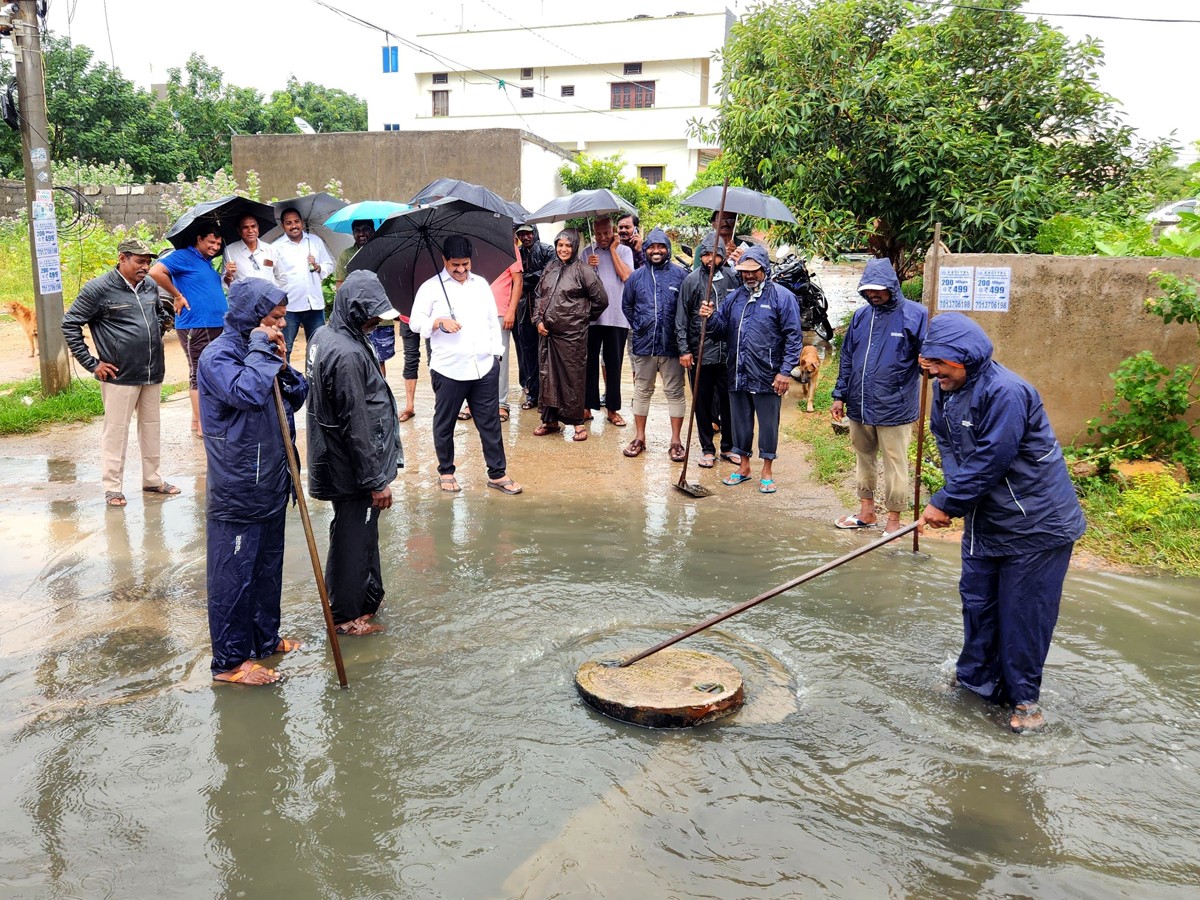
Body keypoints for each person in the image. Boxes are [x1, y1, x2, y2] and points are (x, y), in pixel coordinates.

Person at [917, 313, 1085, 733]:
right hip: (985, 517)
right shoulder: (947, 389)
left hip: (1036, 524)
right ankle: (977, 680)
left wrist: (947, 501)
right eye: (928, 365)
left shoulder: (1007, 392)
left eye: (941, 364)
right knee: (978, 603)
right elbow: (946, 440)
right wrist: (955, 498)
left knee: (1023, 614)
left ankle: (1025, 700)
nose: (934, 373)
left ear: (967, 359)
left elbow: (993, 456)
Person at [197, 278, 308, 685]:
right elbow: (246, 392)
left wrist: (282, 361)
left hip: (272, 480)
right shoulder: (218, 356)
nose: (281, 326)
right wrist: (262, 352)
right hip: (238, 487)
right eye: (274, 319)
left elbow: (296, 396)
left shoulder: (262, 350)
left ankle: (264, 639)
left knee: (266, 568)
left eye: (283, 318)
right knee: (234, 576)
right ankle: (228, 662)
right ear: (250, 316)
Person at [306, 270, 403, 635]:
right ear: (356, 310)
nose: (376, 322)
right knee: (352, 535)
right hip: (352, 466)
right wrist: (375, 480)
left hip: (334, 458)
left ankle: (366, 598)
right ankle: (346, 616)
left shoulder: (324, 335)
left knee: (357, 531)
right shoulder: (345, 353)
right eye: (372, 315)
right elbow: (356, 424)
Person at [62, 237, 178, 507]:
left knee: (151, 428)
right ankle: (112, 487)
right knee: (116, 431)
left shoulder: (149, 285)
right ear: (122, 258)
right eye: (139, 261)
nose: (145, 267)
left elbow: (158, 313)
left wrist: (165, 321)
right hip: (119, 374)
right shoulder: (98, 289)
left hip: (152, 370)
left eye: (148, 262)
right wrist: (92, 363)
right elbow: (70, 324)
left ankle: (152, 480)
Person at [408, 236, 524, 494]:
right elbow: (415, 323)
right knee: (445, 422)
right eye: (455, 265)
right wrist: (438, 322)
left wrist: (497, 354)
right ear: (444, 261)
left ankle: (497, 474)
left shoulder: (481, 284)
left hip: (483, 365)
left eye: (465, 264)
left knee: (490, 422)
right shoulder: (430, 288)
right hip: (448, 368)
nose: (461, 270)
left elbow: (491, 320)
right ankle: (446, 471)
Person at [831, 258, 928, 536]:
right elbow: (847, 358)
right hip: (860, 404)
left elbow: (928, 360)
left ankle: (895, 522)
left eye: (879, 289)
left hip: (895, 406)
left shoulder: (915, 315)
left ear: (892, 287)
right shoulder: (861, 317)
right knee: (864, 458)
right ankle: (867, 512)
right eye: (868, 290)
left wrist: (927, 361)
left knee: (896, 463)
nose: (873, 294)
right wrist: (839, 395)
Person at [700, 245, 802, 492]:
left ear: (764, 269)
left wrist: (785, 371)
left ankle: (767, 470)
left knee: (768, 424)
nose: (748, 275)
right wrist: (710, 316)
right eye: (744, 271)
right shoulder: (735, 298)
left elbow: (794, 337)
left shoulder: (781, 297)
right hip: (738, 371)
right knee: (739, 423)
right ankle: (744, 467)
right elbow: (721, 330)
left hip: (769, 374)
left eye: (753, 270)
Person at [149, 223, 226, 436]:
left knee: (210, 370)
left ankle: (196, 420)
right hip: (196, 324)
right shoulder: (183, 256)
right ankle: (203, 425)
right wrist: (176, 294)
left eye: (218, 244)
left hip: (214, 324)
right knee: (200, 373)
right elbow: (156, 271)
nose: (215, 247)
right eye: (211, 242)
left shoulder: (207, 262)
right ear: (199, 239)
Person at [532, 229, 608, 440]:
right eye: (560, 245)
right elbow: (539, 295)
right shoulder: (550, 267)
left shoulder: (584, 270)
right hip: (548, 335)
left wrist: (581, 317)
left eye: (567, 245)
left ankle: (577, 424)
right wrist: (537, 320)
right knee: (548, 377)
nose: (563, 249)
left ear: (574, 247)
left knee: (572, 379)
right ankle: (550, 421)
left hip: (572, 336)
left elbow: (601, 300)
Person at [621, 228, 688, 459]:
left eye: (661, 247)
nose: (656, 251)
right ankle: (639, 437)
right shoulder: (636, 277)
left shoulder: (680, 276)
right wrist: (640, 326)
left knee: (675, 392)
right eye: (652, 247)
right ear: (646, 249)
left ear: (668, 250)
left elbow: (686, 309)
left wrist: (682, 342)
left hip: (672, 346)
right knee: (642, 391)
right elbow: (626, 306)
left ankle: (676, 441)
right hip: (643, 345)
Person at [674, 231, 736, 469]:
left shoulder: (733, 278)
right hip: (701, 353)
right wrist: (684, 350)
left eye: (716, 255)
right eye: (707, 254)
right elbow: (681, 318)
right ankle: (707, 449)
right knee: (702, 402)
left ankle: (728, 447)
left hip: (727, 353)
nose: (711, 259)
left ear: (722, 256)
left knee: (729, 401)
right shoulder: (691, 280)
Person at [582, 215, 634, 428]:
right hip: (592, 318)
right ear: (593, 232)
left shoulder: (624, 251)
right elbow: (579, 283)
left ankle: (613, 410)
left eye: (606, 233)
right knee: (589, 364)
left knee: (614, 365)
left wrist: (612, 251)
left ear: (613, 230)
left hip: (617, 316)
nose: (603, 237)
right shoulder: (587, 252)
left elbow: (628, 277)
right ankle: (587, 406)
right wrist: (587, 266)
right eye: (598, 233)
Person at [335, 218, 397, 377]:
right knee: (358, 356)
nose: (361, 233)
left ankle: (381, 389)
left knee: (380, 358)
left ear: (373, 230)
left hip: (381, 315)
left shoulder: (384, 251)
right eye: (357, 230)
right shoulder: (346, 256)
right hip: (357, 319)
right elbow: (340, 287)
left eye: (365, 229)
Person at [272, 206, 334, 362]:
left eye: (296, 221)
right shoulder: (276, 248)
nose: (294, 226)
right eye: (289, 223)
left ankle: (316, 383)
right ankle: (287, 383)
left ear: (302, 222)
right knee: (286, 347)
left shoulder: (315, 241)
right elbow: (272, 277)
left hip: (314, 305)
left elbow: (330, 264)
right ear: (283, 226)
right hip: (289, 307)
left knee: (318, 348)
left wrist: (319, 267)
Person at [515, 222, 556, 411]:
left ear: (535, 232)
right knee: (527, 354)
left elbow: (548, 275)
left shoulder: (547, 250)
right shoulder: (517, 253)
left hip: (544, 310)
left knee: (546, 354)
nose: (526, 237)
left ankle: (547, 395)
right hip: (524, 310)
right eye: (522, 234)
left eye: (528, 233)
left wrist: (524, 279)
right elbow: (513, 278)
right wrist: (525, 280)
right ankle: (532, 393)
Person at [488, 229, 524, 422]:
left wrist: (511, 310)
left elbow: (518, 281)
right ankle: (476, 402)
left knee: (499, 358)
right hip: (478, 313)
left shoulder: (510, 248)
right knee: (478, 357)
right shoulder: (479, 247)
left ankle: (501, 403)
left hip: (501, 312)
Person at [222, 214, 276, 286]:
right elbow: (226, 283)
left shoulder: (269, 249)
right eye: (245, 227)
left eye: (253, 226)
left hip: (270, 295)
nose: (250, 230)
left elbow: (281, 276)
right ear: (239, 230)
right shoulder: (230, 251)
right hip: (244, 296)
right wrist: (228, 274)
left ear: (258, 227)